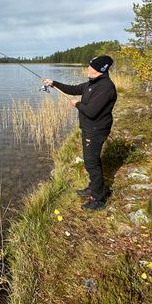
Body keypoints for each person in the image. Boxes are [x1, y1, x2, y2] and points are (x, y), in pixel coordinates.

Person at [43, 55, 117, 210]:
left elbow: (91, 111)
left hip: (96, 130)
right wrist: (53, 83)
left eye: (91, 66)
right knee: (91, 161)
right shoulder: (93, 82)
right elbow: (73, 89)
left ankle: (97, 199)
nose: (88, 68)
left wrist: (77, 103)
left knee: (92, 163)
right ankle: (94, 187)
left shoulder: (105, 87)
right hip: (89, 129)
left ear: (100, 69)